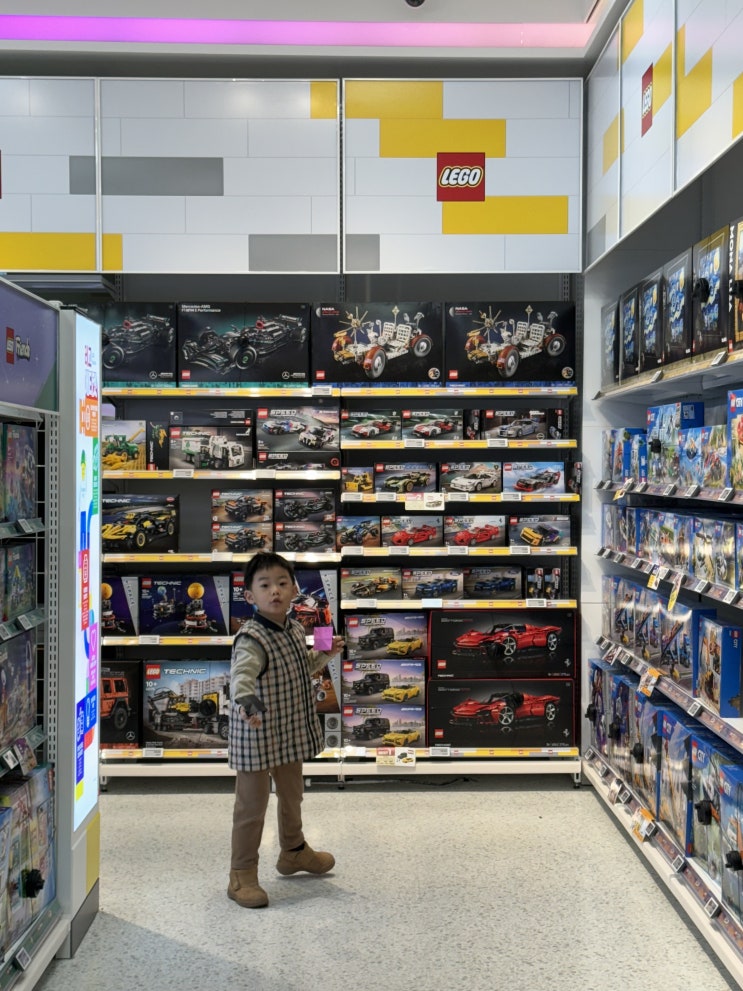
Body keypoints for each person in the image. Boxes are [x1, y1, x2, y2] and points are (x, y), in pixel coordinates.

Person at [227, 551, 344, 909]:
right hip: (257, 733)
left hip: (288, 730)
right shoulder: (251, 637)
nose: (274, 591)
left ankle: (293, 851)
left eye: (282, 583)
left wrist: (326, 652)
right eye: (265, 585)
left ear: (294, 590)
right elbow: (242, 675)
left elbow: (300, 667)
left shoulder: (294, 628)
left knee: (293, 794)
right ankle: (241, 874)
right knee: (252, 806)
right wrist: (247, 702)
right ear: (250, 596)